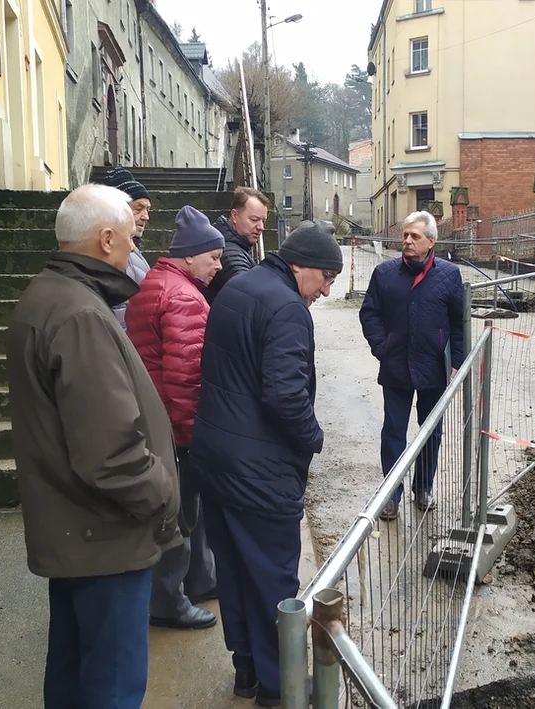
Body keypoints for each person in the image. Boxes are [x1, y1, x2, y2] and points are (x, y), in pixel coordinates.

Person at [6, 184, 181, 708]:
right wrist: (164, 495)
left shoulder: (51, 297)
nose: (134, 247)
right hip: (104, 534)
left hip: (78, 530)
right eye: (129, 237)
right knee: (111, 683)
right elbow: (111, 453)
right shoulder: (79, 313)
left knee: (74, 672)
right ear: (106, 239)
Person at [192, 220, 342, 706]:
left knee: (234, 572)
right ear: (306, 268)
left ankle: (247, 673)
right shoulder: (287, 308)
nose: (325, 291)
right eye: (326, 280)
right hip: (260, 473)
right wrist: (313, 439)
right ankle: (282, 689)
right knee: (274, 580)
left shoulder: (237, 287)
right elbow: (285, 396)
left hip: (215, 460)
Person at [125, 206, 224, 631]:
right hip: (174, 425)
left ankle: (198, 579)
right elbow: (186, 378)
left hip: (153, 416)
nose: (219, 266)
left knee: (184, 510)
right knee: (180, 512)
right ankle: (169, 602)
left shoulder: (153, 282)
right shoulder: (183, 296)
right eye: (214, 258)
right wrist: (191, 437)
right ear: (190, 255)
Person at [359, 211, 465, 521]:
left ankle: (423, 488)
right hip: (396, 366)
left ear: (432, 241)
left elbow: (459, 323)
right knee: (393, 430)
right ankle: (391, 495)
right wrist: (383, 346)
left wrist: (456, 362)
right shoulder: (385, 274)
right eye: (405, 235)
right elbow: (369, 314)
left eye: (415, 236)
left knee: (431, 431)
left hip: (434, 368)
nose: (407, 240)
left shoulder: (449, 274)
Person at [96, 167, 153, 330]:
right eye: (138, 208)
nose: (146, 216)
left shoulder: (132, 248)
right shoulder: (111, 251)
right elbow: (119, 312)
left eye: (148, 209)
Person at [204, 186, 270, 305]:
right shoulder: (226, 250)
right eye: (254, 219)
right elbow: (249, 292)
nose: (261, 227)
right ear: (234, 216)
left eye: (263, 221)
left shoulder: (230, 243)